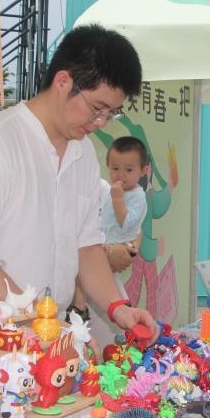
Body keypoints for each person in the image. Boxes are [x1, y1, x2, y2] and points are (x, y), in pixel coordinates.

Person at [0, 24, 157, 341]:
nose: (100, 123)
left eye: (110, 114)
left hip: (46, 332)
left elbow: (86, 246)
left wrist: (118, 307)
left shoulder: (82, 153)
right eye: (97, 109)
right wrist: (43, 322)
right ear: (63, 81)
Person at [68, 136, 149, 321]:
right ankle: (79, 306)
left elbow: (132, 228)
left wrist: (126, 249)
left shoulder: (124, 193)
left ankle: (80, 307)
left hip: (107, 253)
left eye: (128, 170)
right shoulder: (111, 191)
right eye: (115, 168)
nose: (121, 175)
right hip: (96, 254)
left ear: (143, 171)